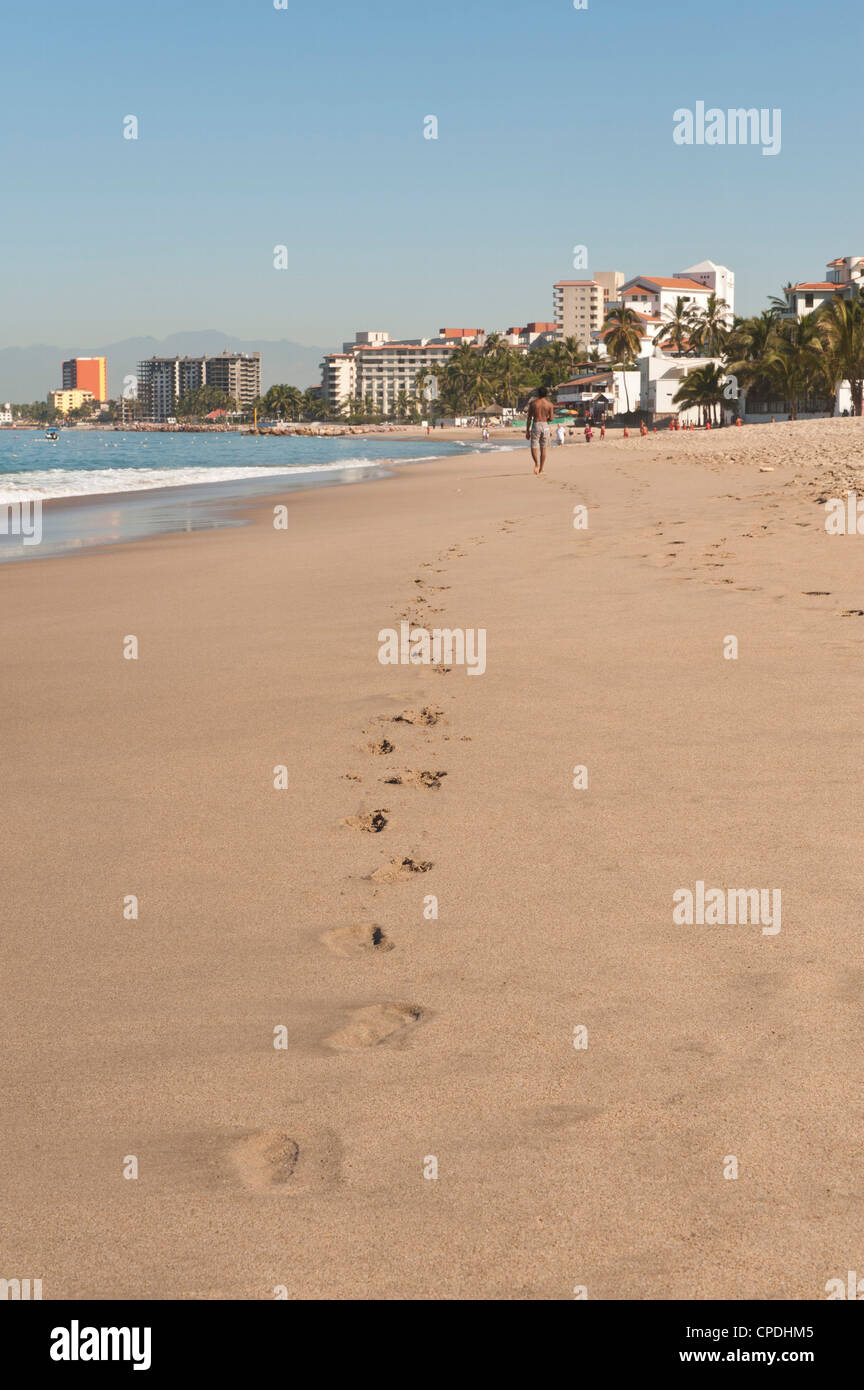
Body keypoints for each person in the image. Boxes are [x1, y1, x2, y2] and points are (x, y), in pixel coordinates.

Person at [526, 387, 554, 474]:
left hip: (536, 424)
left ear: (538, 394)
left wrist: (527, 430)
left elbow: (529, 418)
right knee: (543, 449)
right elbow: (552, 418)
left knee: (534, 446)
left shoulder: (533, 403)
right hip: (545, 426)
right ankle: (541, 469)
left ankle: (536, 464)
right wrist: (546, 420)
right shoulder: (549, 404)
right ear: (546, 394)